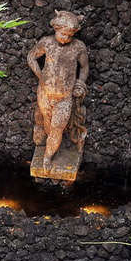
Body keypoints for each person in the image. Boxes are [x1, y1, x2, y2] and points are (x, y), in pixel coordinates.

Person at [27, 10, 89, 168]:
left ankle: (47, 157)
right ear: (56, 29)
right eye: (63, 34)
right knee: (48, 124)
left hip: (64, 97)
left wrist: (80, 83)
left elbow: (84, 67)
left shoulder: (78, 47)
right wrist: (40, 76)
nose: (65, 39)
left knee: (56, 128)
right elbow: (31, 57)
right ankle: (47, 145)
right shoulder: (47, 43)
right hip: (45, 94)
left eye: (69, 35)